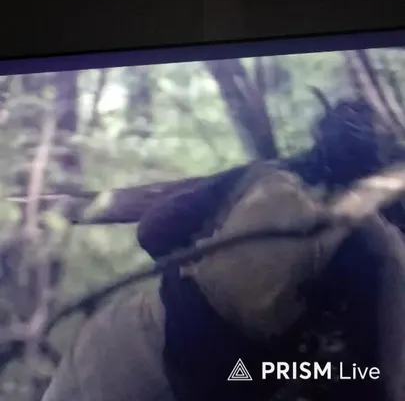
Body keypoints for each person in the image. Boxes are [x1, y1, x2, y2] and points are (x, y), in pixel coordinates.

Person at [41, 157, 405, 401]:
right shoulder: (387, 257)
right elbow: (379, 381)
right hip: (189, 374)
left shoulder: (273, 176)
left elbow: (152, 231)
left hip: (119, 336)